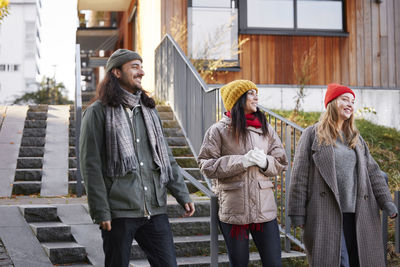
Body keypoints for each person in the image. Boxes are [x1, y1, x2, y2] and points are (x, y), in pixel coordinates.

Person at [79, 49, 195, 267]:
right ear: (116, 72)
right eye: (134, 66)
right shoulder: (97, 112)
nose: (141, 71)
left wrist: (182, 194)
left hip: (155, 208)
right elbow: (90, 165)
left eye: (141, 66)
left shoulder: (149, 111)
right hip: (119, 211)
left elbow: (165, 156)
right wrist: (101, 210)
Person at [288, 83, 398, 267]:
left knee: (358, 261)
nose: (350, 104)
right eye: (345, 99)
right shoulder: (312, 134)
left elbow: (373, 172)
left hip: (359, 214)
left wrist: (387, 202)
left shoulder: (355, 137)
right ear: (332, 102)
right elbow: (300, 176)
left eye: (353, 101)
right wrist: (297, 214)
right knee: (338, 262)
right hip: (326, 213)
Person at [197, 80, 288, 267]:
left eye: (257, 92)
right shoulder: (218, 131)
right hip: (234, 210)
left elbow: (281, 161)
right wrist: (241, 161)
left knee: (274, 263)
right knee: (239, 263)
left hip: (264, 210)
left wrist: (265, 163)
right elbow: (205, 165)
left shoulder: (266, 128)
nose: (256, 96)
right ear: (238, 99)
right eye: (251, 93)